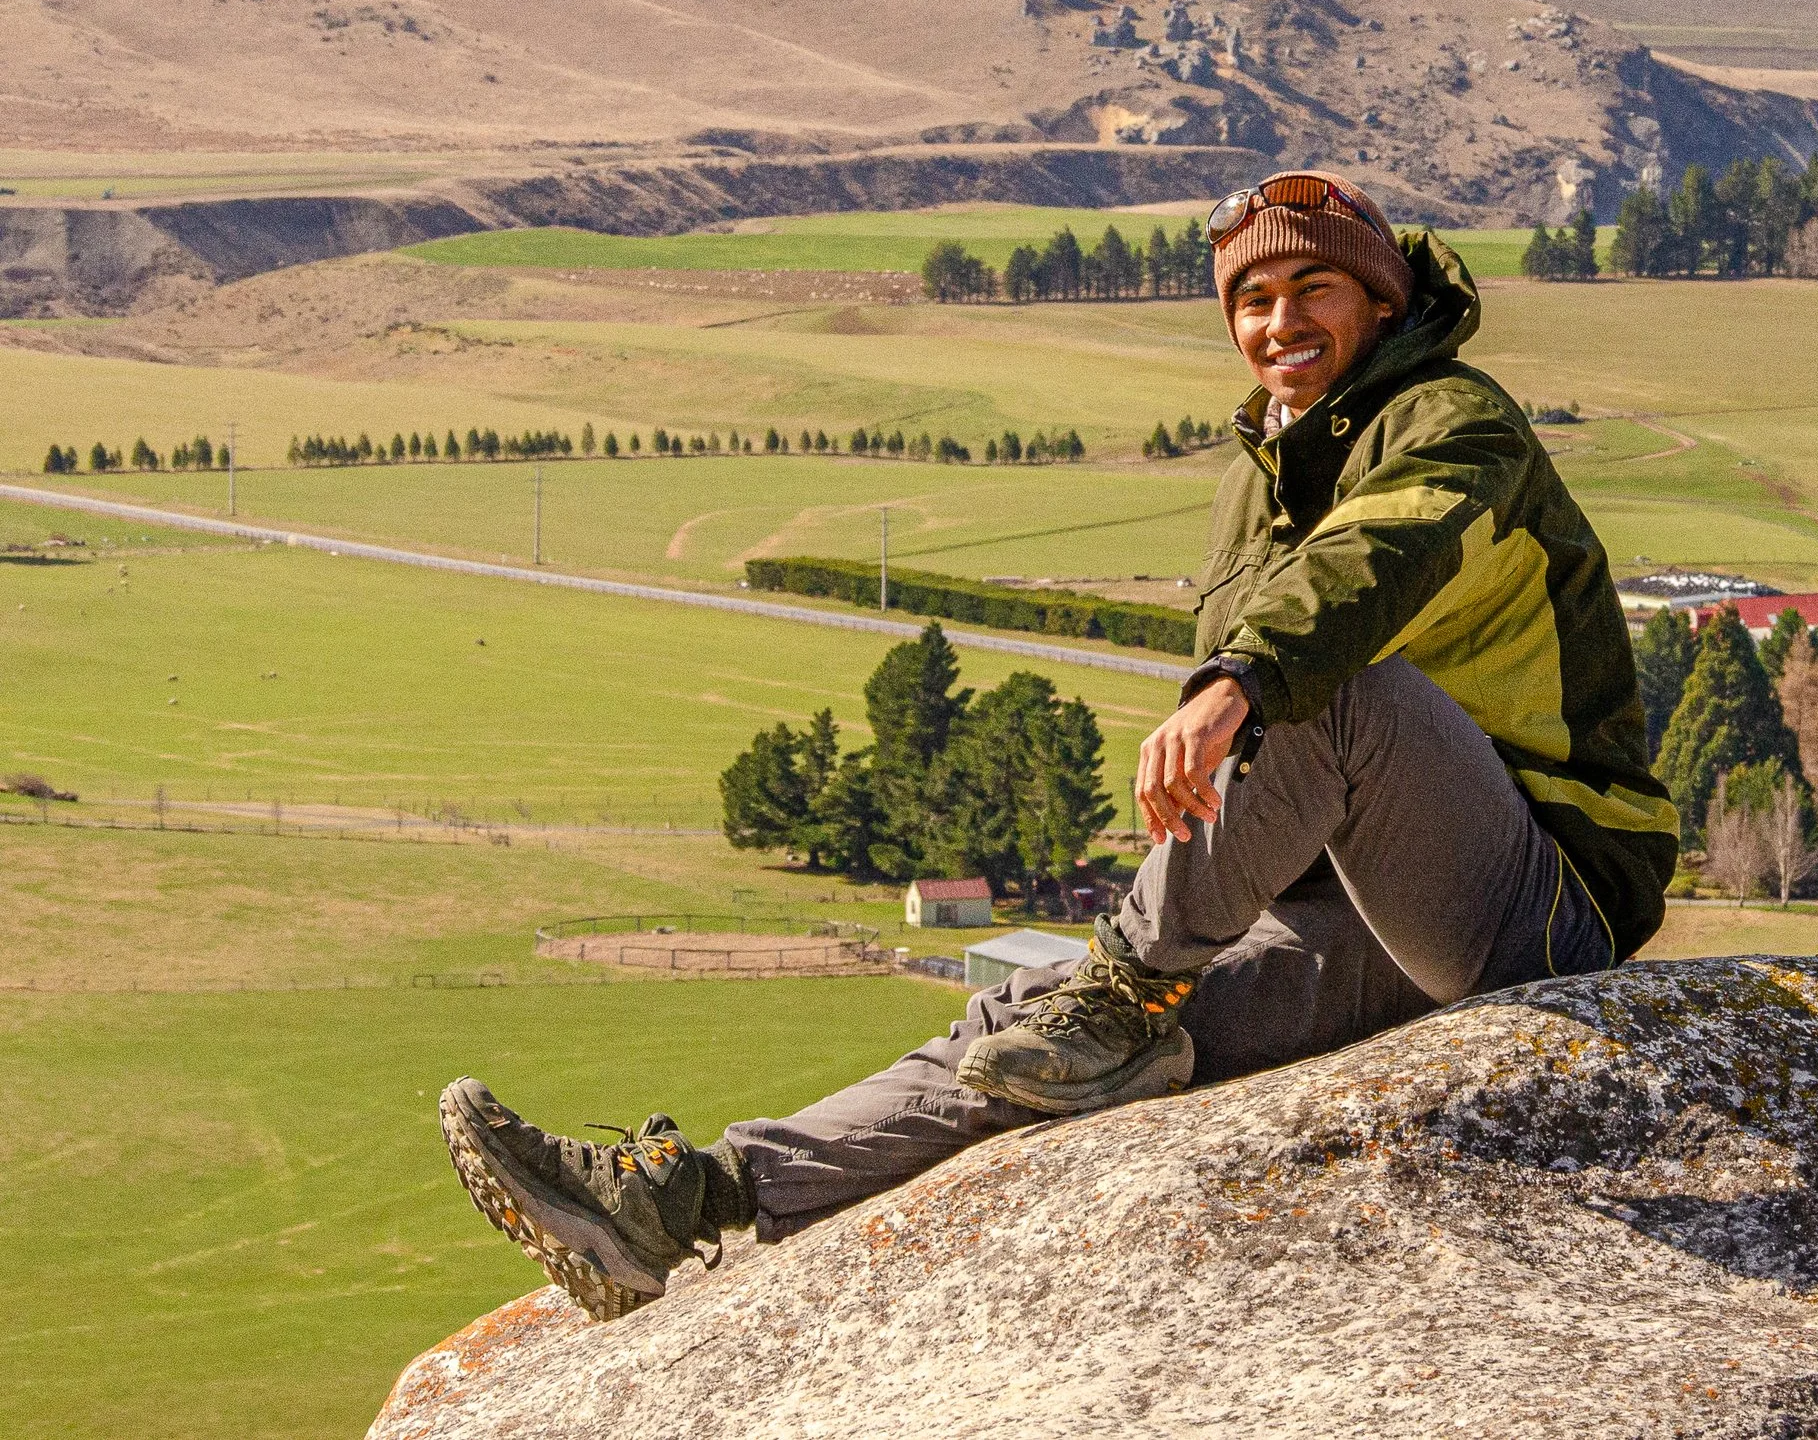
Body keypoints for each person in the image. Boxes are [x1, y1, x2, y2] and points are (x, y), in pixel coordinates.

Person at [440, 171, 1679, 1319]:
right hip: (1359, 916)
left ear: (1382, 299)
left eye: (1313, 288)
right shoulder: (1266, 460)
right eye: (1250, 298)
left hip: (1543, 902)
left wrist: (1232, 683)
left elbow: (1366, 575)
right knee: (1030, 1039)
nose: (1277, 319)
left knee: (1334, 700)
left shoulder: (1456, 421)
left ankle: (1129, 979)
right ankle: (690, 1200)